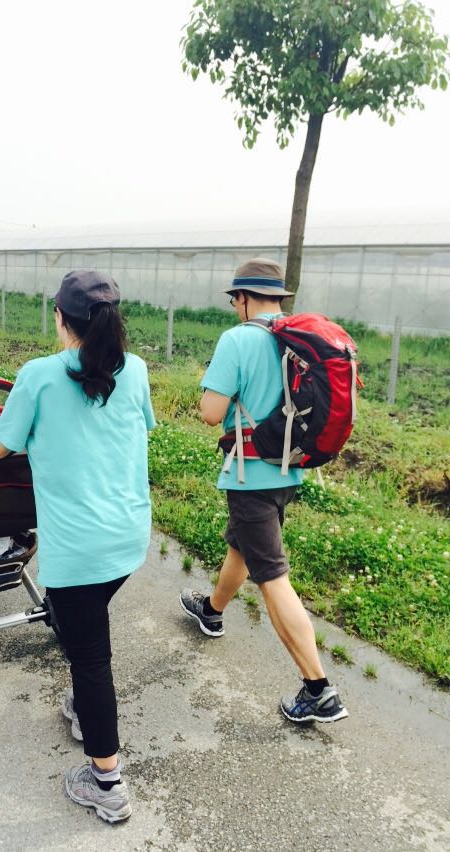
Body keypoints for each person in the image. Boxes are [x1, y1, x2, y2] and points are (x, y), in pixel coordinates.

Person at [0, 270, 155, 822]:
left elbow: (2, 443)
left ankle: (107, 783)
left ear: (61, 318)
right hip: (128, 536)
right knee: (82, 627)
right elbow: (138, 427)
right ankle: (86, 708)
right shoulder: (135, 369)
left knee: (92, 659)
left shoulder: (41, 375)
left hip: (78, 547)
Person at [179, 258, 348, 724]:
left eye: (234, 299)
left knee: (272, 576)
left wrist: (225, 389)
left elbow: (211, 413)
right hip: (288, 471)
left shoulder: (238, 339)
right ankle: (211, 610)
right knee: (244, 545)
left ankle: (319, 689)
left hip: (251, 475)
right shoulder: (296, 340)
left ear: (242, 298)